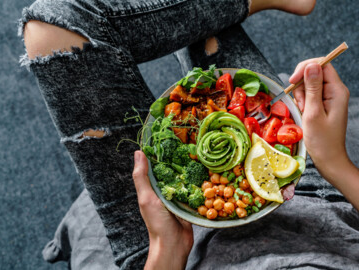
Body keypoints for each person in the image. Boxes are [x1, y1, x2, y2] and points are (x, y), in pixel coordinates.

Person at [19, 0, 359, 269]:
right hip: (303, 194)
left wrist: (168, 251)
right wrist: (334, 162)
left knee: (50, 26)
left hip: (166, 249)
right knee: (208, 50)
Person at [132, 60, 359, 269]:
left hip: (200, 238)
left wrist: (167, 247)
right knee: (210, 45)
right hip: (320, 198)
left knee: (202, 48)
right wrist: (335, 164)